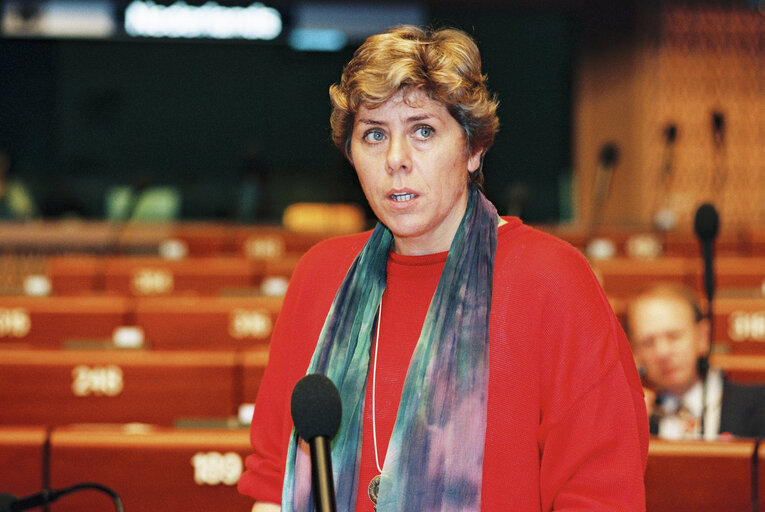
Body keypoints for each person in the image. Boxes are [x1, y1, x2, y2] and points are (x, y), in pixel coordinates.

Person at [238, 25, 648, 512]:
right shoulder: (319, 276)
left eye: (423, 130)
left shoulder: (553, 280)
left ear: (474, 149)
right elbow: (271, 482)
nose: (396, 159)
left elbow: (600, 495)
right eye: (373, 135)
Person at [626, 283, 765, 440]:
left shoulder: (760, 405)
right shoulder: (631, 418)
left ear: (702, 336)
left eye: (673, 337)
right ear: (635, 352)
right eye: (648, 342)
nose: (662, 352)